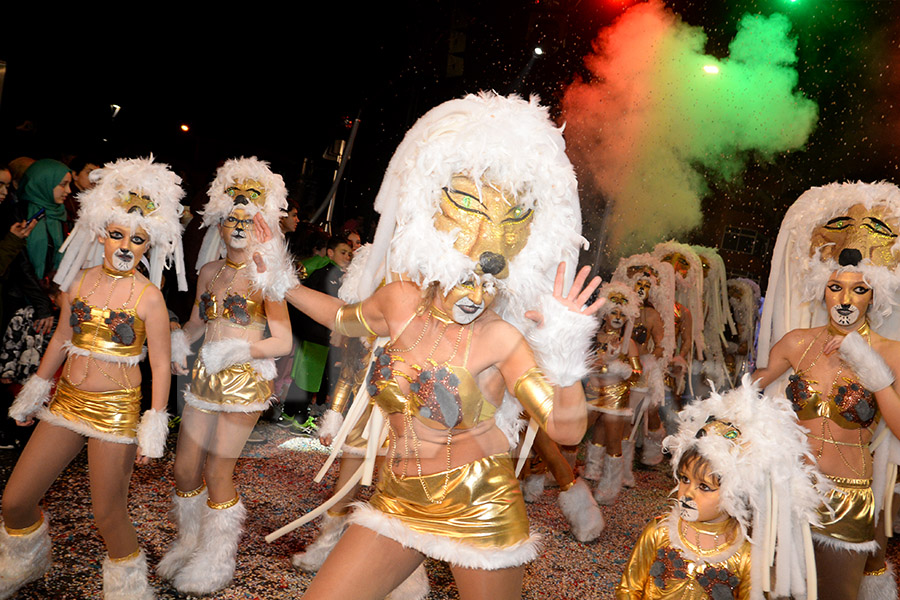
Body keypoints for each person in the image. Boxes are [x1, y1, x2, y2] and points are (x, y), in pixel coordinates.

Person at [266, 92, 600, 600]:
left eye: (490, 282)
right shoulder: (400, 301)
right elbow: (343, 317)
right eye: (466, 276)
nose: (477, 291)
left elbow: (568, 430)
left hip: (478, 504)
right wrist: (281, 282)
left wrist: (567, 354)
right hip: (398, 498)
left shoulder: (500, 337)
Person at [0, 157, 186, 599]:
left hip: (117, 414)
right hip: (65, 404)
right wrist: (33, 395)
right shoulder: (78, 282)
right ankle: (24, 560)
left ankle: (127, 591)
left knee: (109, 515)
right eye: (118, 234)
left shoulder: (149, 297)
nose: (125, 245)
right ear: (100, 231)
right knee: (14, 501)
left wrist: (153, 426)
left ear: (149, 244)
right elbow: (62, 339)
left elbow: (160, 365)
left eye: (137, 239)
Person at [754, 182, 900, 600]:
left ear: (875, 295)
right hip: (790, 486)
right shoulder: (798, 341)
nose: (845, 299)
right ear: (823, 289)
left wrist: (876, 375)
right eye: (836, 287)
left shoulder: (890, 352)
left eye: (859, 289)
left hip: (848, 496)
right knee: (775, 592)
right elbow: (755, 386)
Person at [159, 156, 293, 595]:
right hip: (203, 380)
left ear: (260, 224)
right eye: (230, 217)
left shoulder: (266, 278)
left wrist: (239, 349)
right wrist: (177, 336)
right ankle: (190, 543)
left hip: (244, 381)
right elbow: (199, 323)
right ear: (218, 223)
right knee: (183, 470)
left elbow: (283, 341)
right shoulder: (209, 272)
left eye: (247, 217)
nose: (237, 225)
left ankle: (217, 560)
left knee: (219, 472)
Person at [617, 377, 826, 600]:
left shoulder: (746, 554)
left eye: (704, 487)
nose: (688, 493)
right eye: (684, 479)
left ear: (735, 493)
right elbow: (629, 589)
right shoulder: (659, 532)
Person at [611, 253, 676, 469]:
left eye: (646, 285)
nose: (641, 288)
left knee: (647, 411)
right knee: (614, 414)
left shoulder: (651, 315)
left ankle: (650, 452)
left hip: (640, 369)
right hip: (615, 368)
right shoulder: (618, 309)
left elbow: (660, 344)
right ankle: (611, 460)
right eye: (638, 283)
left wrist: (647, 362)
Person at [584, 282, 641, 505]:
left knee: (613, 440)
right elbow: (583, 364)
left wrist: (621, 369)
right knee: (579, 434)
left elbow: (636, 374)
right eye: (613, 313)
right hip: (592, 392)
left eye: (621, 314)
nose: (617, 317)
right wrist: (601, 363)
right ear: (605, 315)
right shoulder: (593, 337)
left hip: (617, 397)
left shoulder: (630, 343)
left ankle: (609, 488)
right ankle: (590, 472)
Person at [20, 159, 72, 281]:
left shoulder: (62, 214)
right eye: (63, 184)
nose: (69, 190)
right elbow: (21, 267)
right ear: (44, 182)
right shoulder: (20, 214)